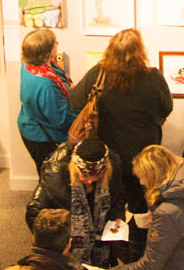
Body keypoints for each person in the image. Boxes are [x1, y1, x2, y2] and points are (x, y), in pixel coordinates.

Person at [67, 27, 173, 220]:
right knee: (141, 202)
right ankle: (137, 244)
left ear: (110, 50)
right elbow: (167, 108)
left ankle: (115, 242)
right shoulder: (153, 77)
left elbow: (74, 101)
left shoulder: (98, 74)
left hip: (108, 153)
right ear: (140, 51)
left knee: (111, 204)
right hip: (143, 153)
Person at [24, 137, 128, 266]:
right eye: (84, 176)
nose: (90, 181)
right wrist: (58, 239)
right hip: (68, 250)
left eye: (96, 177)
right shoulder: (54, 176)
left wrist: (117, 217)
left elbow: (118, 199)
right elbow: (33, 213)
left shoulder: (114, 169)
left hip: (101, 246)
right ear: (74, 167)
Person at [17, 27, 76, 172]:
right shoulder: (45, 84)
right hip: (41, 137)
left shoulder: (30, 65)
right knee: (52, 181)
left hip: (31, 125)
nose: (57, 43)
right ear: (47, 53)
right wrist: (82, 111)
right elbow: (60, 119)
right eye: (54, 43)